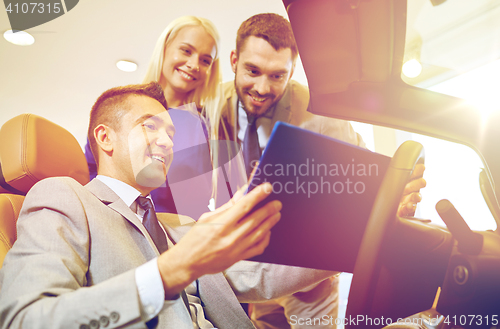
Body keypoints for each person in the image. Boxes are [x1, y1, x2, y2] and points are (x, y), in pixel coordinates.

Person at [0, 82, 336, 329]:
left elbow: (259, 275)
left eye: (172, 134)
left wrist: (354, 242)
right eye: (150, 126)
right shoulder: (64, 197)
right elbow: (25, 319)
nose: (167, 141)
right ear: (105, 138)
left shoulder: (177, 226)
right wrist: (170, 271)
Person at [217, 13, 426, 329]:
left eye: (277, 76)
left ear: (292, 72)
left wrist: (393, 194)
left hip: (308, 272)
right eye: (253, 71)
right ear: (234, 60)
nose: (261, 87)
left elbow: (362, 183)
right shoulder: (214, 105)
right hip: (250, 256)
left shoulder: (324, 115)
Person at [85, 16, 222, 219]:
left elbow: (198, 200)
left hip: (175, 233)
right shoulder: (120, 107)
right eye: (186, 50)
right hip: (114, 223)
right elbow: (90, 171)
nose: (194, 65)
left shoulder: (204, 126)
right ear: (165, 48)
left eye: (205, 60)